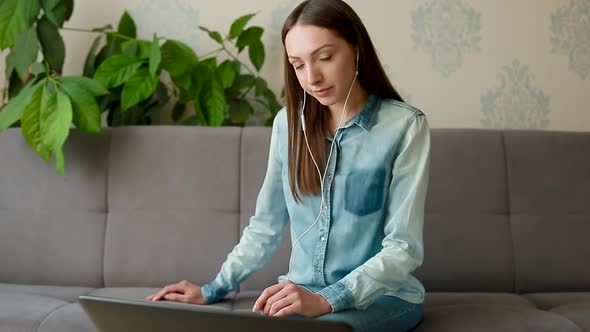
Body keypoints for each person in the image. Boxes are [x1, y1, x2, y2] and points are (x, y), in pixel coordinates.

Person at [147, 0, 430, 331]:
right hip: (301, 293)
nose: (312, 78)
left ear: (356, 49)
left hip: (382, 298)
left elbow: (403, 249)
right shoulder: (288, 124)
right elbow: (265, 227)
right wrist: (212, 290)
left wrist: (328, 299)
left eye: (325, 57)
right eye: (298, 65)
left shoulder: (405, 126)